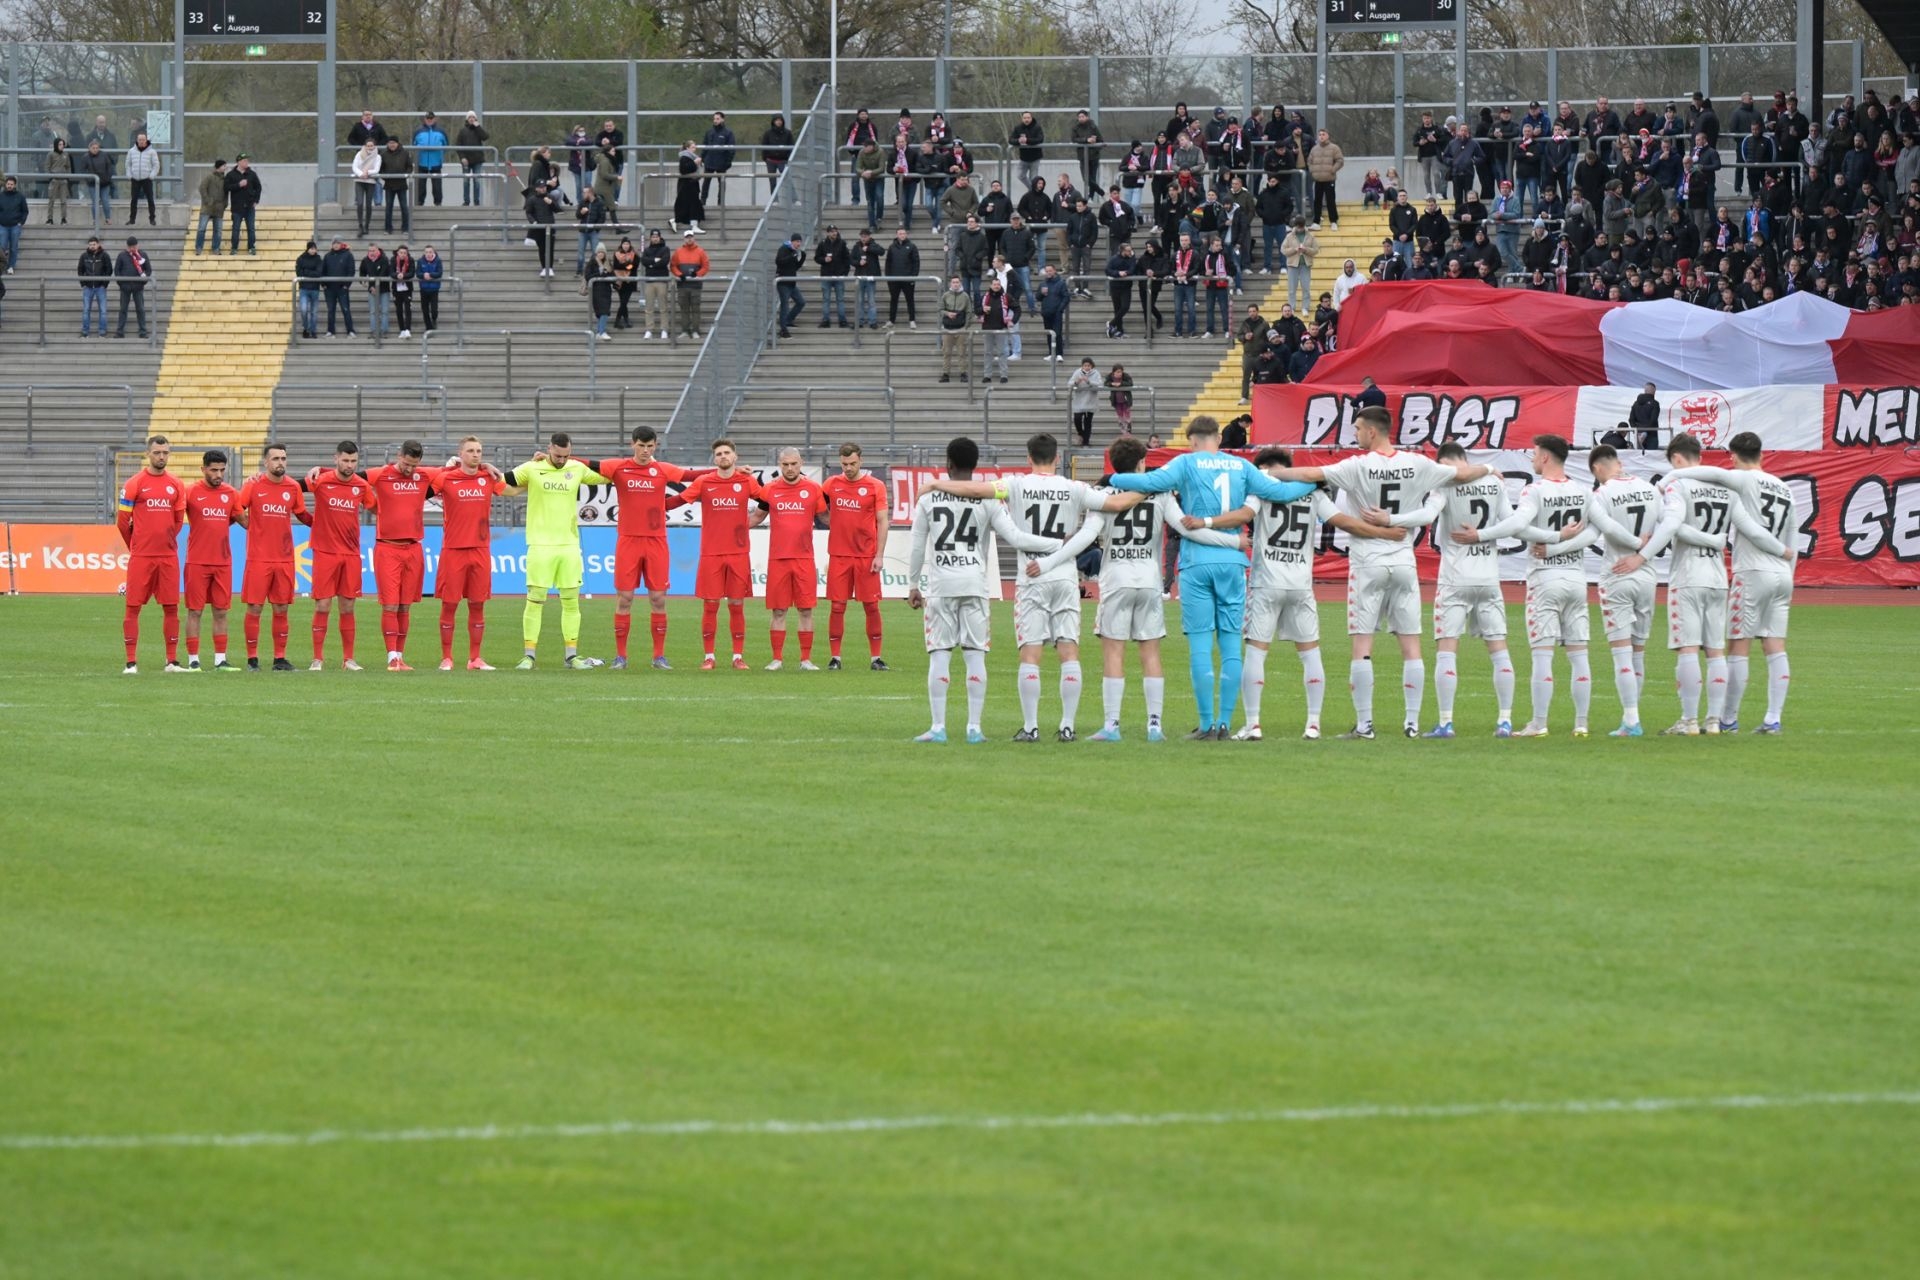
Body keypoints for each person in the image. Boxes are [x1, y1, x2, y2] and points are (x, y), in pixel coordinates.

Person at [1267, 408, 1499, 738]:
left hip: (1367, 562)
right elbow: (1462, 475)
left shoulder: (1357, 466)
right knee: (1411, 645)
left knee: (1363, 643)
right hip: (1404, 561)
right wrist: (1491, 467)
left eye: (1358, 428)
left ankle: (1365, 725)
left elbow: (1308, 475)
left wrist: (1271, 473)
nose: (1356, 434)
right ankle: (1412, 724)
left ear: (1372, 432)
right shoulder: (1417, 463)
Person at [1106, 416, 1319, 738]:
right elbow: (1282, 491)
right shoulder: (1242, 466)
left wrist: (1113, 476)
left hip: (1196, 560)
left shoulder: (1185, 462)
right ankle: (1225, 722)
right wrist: (1315, 482)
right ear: (1219, 437)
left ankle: (1206, 723)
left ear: (1192, 440)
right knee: (1232, 644)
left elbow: (1149, 484)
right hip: (1233, 563)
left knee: (1201, 645)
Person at [1200, 447, 1403, 740]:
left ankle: (1253, 724)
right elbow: (1344, 523)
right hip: (1301, 584)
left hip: (1266, 582)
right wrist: (1385, 532)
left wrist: (1207, 523)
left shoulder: (1260, 491)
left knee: (1257, 652)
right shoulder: (1312, 493)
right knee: (1310, 653)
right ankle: (1313, 724)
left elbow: (1242, 515)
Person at [928, 433, 1100, 740]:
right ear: (1057, 458)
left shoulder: (1017, 483)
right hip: (1064, 575)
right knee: (1069, 651)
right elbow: (1106, 505)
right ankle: (1067, 726)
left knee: (1031, 654)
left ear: (1029, 458)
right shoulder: (1075, 487)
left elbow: (978, 489)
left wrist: (938, 484)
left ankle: (1031, 727)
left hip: (1030, 578)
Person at [1446, 433, 1603, 737]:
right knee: (1579, 653)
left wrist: (1481, 534)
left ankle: (1539, 723)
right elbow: (1599, 529)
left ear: (1545, 457)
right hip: (1576, 578)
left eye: (1534, 453)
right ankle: (1581, 724)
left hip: (1545, 578)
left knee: (1543, 654)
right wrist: (1564, 542)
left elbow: (1518, 525)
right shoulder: (1583, 491)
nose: (1532, 459)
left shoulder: (1535, 490)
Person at [907, 436, 1059, 743]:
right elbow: (1016, 538)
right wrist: (1058, 544)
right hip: (975, 585)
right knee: (975, 656)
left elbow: (917, 546)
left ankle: (938, 727)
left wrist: (912, 584)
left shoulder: (928, 498)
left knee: (940, 654)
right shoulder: (988, 499)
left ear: (948, 464)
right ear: (976, 466)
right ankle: (974, 728)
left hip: (940, 587)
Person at [1378, 442, 1519, 738]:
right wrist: (1484, 535)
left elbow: (1426, 517)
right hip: (1489, 577)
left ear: (1443, 463)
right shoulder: (1493, 482)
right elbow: (1511, 524)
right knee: (1498, 649)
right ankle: (1505, 721)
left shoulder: (1444, 483)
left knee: (1447, 650)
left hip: (1455, 578)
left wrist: (1391, 520)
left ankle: (1446, 722)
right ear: (1465, 459)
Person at [1666, 431, 1799, 734]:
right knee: (1776, 647)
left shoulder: (1742, 480)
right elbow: (1795, 539)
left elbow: (1705, 472)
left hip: (1752, 571)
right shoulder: (1785, 489)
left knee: (1738, 647)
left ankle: (1727, 719)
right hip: (1782, 575)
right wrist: (1790, 574)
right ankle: (1773, 718)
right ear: (1762, 454)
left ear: (1734, 456)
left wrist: (1669, 477)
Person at [1557, 444, 1671, 737]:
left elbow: (1594, 532)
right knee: (1638, 652)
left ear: (1596, 469)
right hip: (1646, 575)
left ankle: (1631, 721)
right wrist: (1643, 551)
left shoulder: (1601, 494)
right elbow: (1668, 526)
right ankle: (1630, 717)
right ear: (1618, 462)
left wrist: (1554, 547)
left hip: (1617, 574)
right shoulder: (1649, 489)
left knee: (1621, 653)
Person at [1646, 432, 1734, 734]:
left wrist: (1644, 555)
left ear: (1677, 459)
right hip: (1718, 575)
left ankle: (1689, 720)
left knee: (1688, 648)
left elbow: (1673, 525)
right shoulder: (1724, 487)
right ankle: (1713, 720)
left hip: (1688, 574)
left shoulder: (1677, 484)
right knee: (1715, 650)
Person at [578, 426, 688, 670]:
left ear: (655, 446)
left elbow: (690, 477)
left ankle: (659, 657)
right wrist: (557, 457)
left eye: (650, 446)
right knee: (625, 598)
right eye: (641, 446)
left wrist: (729, 470)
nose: (645, 451)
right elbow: (587, 463)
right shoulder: (619, 467)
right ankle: (621, 657)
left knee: (658, 598)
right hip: (628, 541)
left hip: (656, 541)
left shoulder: (661, 469)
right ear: (632, 444)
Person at [506, 433, 610, 669]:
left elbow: (608, 476)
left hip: (569, 545)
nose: (562, 460)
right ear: (548, 448)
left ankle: (571, 657)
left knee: (571, 603)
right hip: (540, 545)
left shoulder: (577, 468)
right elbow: (503, 483)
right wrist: (486, 468)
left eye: (566, 455)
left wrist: (579, 460)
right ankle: (529, 656)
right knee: (534, 601)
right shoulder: (532, 468)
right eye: (557, 455)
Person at [670, 438, 764, 670]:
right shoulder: (704, 482)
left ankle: (737, 657)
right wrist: (649, 503)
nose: (723, 456)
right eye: (719, 453)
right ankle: (709, 657)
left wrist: (750, 522)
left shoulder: (746, 481)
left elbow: (769, 500)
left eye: (727, 453)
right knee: (710, 605)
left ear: (735, 456)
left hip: (738, 553)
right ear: (714, 459)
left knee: (736, 604)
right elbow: (679, 500)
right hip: (711, 553)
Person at [360, 440, 444, 668]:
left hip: (414, 548)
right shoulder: (381, 474)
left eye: (414, 465)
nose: (410, 469)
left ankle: (400, 656)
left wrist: (484, 466)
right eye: (406, 464)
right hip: (387, 548)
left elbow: (454, 471)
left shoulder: (424, 474)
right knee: (390, 605)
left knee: (405, 605)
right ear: (399, 456)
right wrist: (320, 472)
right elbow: (349, 475)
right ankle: (391, 657)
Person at [434, 436, 509, 670]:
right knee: (449, 605)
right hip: (453, 550)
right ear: (461, 454)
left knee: (477, 605)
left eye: (479, 450)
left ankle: (474, 659)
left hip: (480, 550)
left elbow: (512, 490)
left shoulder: (487, 478)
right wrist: (445, 468)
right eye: (470, 450)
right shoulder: (446, 478)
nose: (476, 454)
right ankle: (447, 658)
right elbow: (423, 488)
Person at [115, 435, 187, 673]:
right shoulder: (134, 483)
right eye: (157, 452)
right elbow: (123, 522)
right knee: (133, 607)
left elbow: (178, 522)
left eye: (165, 453)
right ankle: (131, 662)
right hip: (141, 557)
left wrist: (165, 541)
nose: (161, 457)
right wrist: (135, 546)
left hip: (167, 557)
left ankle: (171, 661)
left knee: (171, 607)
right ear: (148, 454)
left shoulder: (175, 485)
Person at [235, 444, 309, 670]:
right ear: (265, 462)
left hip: (285, 558)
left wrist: (325, 524)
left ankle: (279, 658)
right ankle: (252, 659)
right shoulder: (253, 485)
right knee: (255, 608)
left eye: (284, 458)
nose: (280, 463)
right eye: (275, 458)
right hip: (259, 558)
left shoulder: (293, 487)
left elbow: (302, 514)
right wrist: (250, 525)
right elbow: (237, 508)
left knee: (281, 608)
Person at [304, 441, 377, 670]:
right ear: (336, 459)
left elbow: (375, 507)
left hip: (351, 553)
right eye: (345, 460)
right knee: (323, 605)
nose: (349, 465)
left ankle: (348, 659)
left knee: (347, 606)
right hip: (325, 552)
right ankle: (317, 659)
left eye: (353, 461)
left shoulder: (361, 486)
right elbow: (289, 486)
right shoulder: (321, 481)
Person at [754, 448, 826, 670]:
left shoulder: (813, 489)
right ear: (779, 464)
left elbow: (825, 517)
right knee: (779, 610)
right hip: (778, 559)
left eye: (794, 463)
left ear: (801, 463)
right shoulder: (769, 490)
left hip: (804, 559)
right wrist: (729, 526)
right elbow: (757, 516)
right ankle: (777, 658)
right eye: (785, 464)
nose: (790, 468)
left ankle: (805, 659)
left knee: (806, 610)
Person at [821, 442, 890, 671]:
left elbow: (882, 521)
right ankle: (835, 658)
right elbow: (818, 507)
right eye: (844, 464)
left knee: (871, 606)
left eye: (852, 464)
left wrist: (879, 555)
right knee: (837, 606)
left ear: (861, 461)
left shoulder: (875, 486)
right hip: (839, 555)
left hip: (866, 556)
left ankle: (876, 658)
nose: (848, 468)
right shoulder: (831, 484)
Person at [179, 449, 240, 671]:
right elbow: (173, 515)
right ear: (203, 469)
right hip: (197, 561)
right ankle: (193, 660)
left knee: (221, 611)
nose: (218, 475)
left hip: (223, 561)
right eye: (214, 470)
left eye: (222, 470)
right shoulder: (190, 492)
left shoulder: (231, 493)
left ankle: (220, 660)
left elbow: (243, 520)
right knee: (195, 611)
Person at [669, 228, 709, 338]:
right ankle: (685, 331)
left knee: (696, 309)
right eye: (687, 237)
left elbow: (706, 266)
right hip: (682, 285)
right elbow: (673, 266)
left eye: (691, 237)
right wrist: (679, 274)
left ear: (694, 238)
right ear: (684, 239)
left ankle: (695, 330)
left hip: (695, 285)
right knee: (684, 309)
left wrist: (697, 274)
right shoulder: (678, 252)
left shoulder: (700, 251)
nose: (689, 239)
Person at [978, 275, 1015, 383]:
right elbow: (976, 310)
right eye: (994, 284)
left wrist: (1013, 320)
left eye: (998, 284)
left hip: (1001, 328)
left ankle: (1004, 375)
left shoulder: (1006, 296)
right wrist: (982, 310)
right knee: (987, 352)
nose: (996, 286)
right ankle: (987, 375)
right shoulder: (984, 297)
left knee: (1002, 352)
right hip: (987, 328)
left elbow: (1017, 308)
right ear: (990, 285)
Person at [113, 236, 150, 339]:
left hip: (138, 287)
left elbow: (148, 270)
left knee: (140, 309)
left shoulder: (143, 255)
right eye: (130, 246)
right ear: (127, 246)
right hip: (125, 288)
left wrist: (143, 282)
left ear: (137, 245)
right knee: (123, 309)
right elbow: (117, 271)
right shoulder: (121, 255)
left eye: (134, 246)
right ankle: (120, 331)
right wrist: (121, 284)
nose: (132, 248)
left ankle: (143, 331)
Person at [1306, 128, 1344, 229]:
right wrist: (1312, 171)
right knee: (1317, 201)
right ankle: (1316, 222)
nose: (1321, 136)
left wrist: (1333, 169)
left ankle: (1333, 221)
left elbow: (1340, 161)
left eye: (1323, 134)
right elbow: (1309, 161)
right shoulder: (1314, 149)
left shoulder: (1334, 148)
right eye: (1320, 135)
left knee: (1330, 200)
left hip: (1329, 179)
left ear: (1328, 136)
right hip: (1318, 179)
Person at [885, 226, 921, 327]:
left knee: (910, 300)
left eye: (904, 233)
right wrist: (888, 278)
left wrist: (913, 277)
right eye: (900, 233)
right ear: (897, 235)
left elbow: (916, 263)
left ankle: (912, 320)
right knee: (893, 300)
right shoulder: (892, 247)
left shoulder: (912, 246)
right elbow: (888, 263)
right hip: (894, 279)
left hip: (908, 279)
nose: (902, 235)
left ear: (906, 234)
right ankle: (891, 320)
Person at [815, 224, 850, 327]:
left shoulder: (842, 243)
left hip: (839, 276)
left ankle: (842, 321)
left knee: (840, 299)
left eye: (835, 231)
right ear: (828, 233)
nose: (834, 233)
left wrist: (845, 274)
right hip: (826, 275)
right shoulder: (822, 244)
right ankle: (826, 320)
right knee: (826, 299)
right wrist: (824, 260)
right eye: (831, 231)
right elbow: (817, 258)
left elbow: (847, 259)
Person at [938, 275, 970, 382]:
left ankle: (963, 373)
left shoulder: (965, 296)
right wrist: (947, 313)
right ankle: (946, 373)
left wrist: (966, 326)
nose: (955, 284)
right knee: (946, 352)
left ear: (960, 283)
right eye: (953, 282)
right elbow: (940, 309)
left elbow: (969, 311)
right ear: (950, 284)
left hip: (960, 328)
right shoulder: (946, 295)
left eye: (957, 282)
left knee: (962, 352)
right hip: (947, 328)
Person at [1281, 217, 1316, 313]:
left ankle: (1305, 307)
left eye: (1301, 226)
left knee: (1306, 287)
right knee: (1292, 288)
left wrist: (1306, 250)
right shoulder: (1289, 236)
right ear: (1295, 226)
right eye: (1298, 226)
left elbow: (1315, 250)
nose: (1300, 229)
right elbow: (1283, 250)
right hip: (1292, 265)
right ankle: (1292, 307)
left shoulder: (1310, 236)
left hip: (1305, 265)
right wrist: (1294, 249)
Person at [321, 238, 356, 336]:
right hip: (329, 289)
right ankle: (330, 331)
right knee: (330, 310)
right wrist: (323, 284)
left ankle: (350, 330)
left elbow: (351, 271)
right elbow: (322, 271)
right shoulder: (327, 256)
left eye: (338, 243)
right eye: (334, 243)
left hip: (342, 288)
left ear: (341, 244)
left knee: (346, 309)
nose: (336, 245)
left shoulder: (348, 255)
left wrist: (346, 285)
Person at [639, 227, 670, 337]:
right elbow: (643, 261)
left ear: (659, 237)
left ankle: (664, 329)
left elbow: (665, 261)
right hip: (649, 281)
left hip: (662, 280)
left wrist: (652, 264)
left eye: (656, 237)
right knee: (649, 307)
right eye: (653, 237)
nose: (655, 239)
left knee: (663, 306)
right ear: (650, 238)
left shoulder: (665, 248)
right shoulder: (647, 250)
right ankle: (649, 329)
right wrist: (654, 261)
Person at [77, 235, 110, 337]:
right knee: (86, 310)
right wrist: (83, 284)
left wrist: (104, 284)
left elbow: (109, 270)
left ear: (98, 244)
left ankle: (102, 332)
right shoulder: (84, 256)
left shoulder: (104, 255)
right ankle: (85, 332)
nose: (92, 246)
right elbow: (80, 270)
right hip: (88, 287)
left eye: (94, 244)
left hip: (100, 287)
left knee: (103, 311)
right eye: (90, 244)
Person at [124, 131, 159, 226]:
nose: (141, 141)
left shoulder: (152, 152)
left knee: (150, 200)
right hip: (135, 179)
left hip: (147, 179)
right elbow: (128, 164)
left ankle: (152, 219)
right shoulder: (131, 151)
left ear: (146, 140)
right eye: (140, 140)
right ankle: (132, 219)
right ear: (137, 140)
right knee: (133, 200)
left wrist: (151, 175)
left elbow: (156, 165)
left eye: (143, 139)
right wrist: (129, 175)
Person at [701, 111, 736, 205]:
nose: (715, 121)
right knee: (706, 182)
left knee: (722, 183)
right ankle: (703, 201)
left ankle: (720, 202)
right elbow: (705, 145)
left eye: (717, 119)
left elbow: (731, 149)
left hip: (721, 163)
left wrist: (728, 162)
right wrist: (702, 158)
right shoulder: (709, 132)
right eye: (714, 119)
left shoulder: (728, 133)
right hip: (709, 162)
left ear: (722, 119)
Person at [378, 138, 412, 234]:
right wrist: (385, 177)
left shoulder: (405, 153)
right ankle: (388, 228)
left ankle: (405, 228)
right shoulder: (383, 154)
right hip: (389, 184)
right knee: (389, 207)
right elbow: (380, 169)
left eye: (394, 143)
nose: (392, 145)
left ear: (397, 143)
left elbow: (410, 167)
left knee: (404, 207)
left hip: (401, 184)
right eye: (390, 143)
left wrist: (405, 175)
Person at [359, 242, 393, 339]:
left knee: (385, 311)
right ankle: (373, 331)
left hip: (384, 289)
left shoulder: (384, 259)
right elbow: (362, 271)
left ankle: (383, 331)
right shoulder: (365, 260)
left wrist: (375, 286)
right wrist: (363, 281)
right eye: (370, 251)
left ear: (377, 250)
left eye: (373, 250)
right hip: (372, 289)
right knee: (373, 312)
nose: (371, 252)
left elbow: (383, 273)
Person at [456, 111, 490, 206]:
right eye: (470, 117)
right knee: (466, 181)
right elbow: (458, 145)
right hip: (466, 160)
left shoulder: (478, 130)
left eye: (473, 117)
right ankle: (466, 201)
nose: (471, 119)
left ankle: (476, 201)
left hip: (477, 160)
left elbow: (485, 137)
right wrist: (462, 158)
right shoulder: (462, 131)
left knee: (477, 181)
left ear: (475, 119)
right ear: (467, 119)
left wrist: (478, 127)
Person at [76, 140, 113, 225]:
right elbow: (82, 170)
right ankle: (95, 219)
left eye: (97, 148)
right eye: (93, 148)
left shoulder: (104, 155)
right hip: (93, 183)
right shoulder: (85, 157)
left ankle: (108, 218)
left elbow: (110, 167)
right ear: (89, 148)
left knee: (105, 200)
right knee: (95, 201)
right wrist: (89, 179)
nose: (95, 150)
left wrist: (108, 178)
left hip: (105, 183)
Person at [574, 187, 609, 276]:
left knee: (595, 252)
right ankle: (579, 271)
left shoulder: (599, 203)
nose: (583, 194)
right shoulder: (582, 202)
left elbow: (602, 217)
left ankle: (595, 270)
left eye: (585, 192)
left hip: (593, 232)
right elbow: (577, 216)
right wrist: (581, 213)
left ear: (590, 193)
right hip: (583, 231)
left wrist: (596, 228)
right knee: (581, 253)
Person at [196, 158, 228, 255]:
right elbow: (202, 188)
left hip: (219, 208)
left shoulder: (225, 179)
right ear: (219, 167)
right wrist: (208, 200)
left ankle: (216, 248)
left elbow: (226, 193)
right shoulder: (209, 177)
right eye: (224, 166)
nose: (225, 168)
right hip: (207, 207)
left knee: (218, 230)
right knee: (202, 228)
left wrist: (225, 204)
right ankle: (199, 248)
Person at [1035, 263, 1068, 360]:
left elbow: (1066, 297)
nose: (1048, 273)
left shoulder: (1061, 283)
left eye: (1050, 270)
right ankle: (1051, 353)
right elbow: (1037, 297)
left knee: (1057, 333)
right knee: (1049, 333)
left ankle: (1059, 354)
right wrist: (1041, 293)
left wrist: (1060, 309)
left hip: (1056, 312)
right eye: (1047, 271)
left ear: (1054, 271)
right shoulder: (1043, 284)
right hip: (1046, 312)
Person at [851, 227, 883, 328]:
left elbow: (881, 251)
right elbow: (851, 259)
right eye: (862, 237)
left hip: (870, 277)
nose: (863, 238)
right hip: (860, 277)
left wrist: (868, 249)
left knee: (871, 300)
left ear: (869, 237)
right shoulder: (856, 246)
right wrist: (858, 263)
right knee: (859, 300)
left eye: (865, 236)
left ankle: (872, 321)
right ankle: (859, 321)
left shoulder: (873, 244)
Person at [292, 238, 322, 338]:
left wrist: (306, 272)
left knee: (314, 312)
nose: (314, 250)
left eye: (315, 249)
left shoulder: (318, 259)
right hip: (304, 289)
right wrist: (310, 272)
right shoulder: (301, 258)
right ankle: (306, 328)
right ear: (308, 249)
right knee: (304, 310)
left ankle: (313, 330)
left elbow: (318, 273)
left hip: (315, 289)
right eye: (312, 248)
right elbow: (299, 272)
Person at [672, 139, 703, 233]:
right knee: (692, 204)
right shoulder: (685, 157)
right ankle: (692, 225)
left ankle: (693, 224)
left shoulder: (691, 157)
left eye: (695, 147)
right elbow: (683, 169)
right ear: (687, 148)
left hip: (691, 184)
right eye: (693, 147)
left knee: (692, 205)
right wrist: (695, 163)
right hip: (687, 184)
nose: (695, 149)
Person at [761, 113, 795, 199]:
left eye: (780, 120)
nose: (779, 122)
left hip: (783, 160)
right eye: (777, 120)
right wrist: (766, 158)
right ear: (773, 121)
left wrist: (788, 158)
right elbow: (764, 146)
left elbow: (791, 145)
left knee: (787, 179)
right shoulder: (768, 133)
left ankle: (794, 199)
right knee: (772, 181)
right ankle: (774, 200)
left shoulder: (787, 133)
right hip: (771, 160)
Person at [351, 139, 380, 236]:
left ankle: (367, 225)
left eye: (372, 145)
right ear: (365, 146)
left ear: (374, 146)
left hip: (370, 181)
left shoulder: (377, 156)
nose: (370, 147)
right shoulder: (359, 154)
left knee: (368, 204)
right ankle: (360, 225)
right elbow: (354, 167)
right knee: (359, 203)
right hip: (359, 180)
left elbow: (376, 169)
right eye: (368, 146)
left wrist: (367, 173)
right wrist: (360, 174)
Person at [390, 244, 417, 338]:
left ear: (407, 253)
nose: (402, 254)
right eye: (401, 252)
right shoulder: (393, 260)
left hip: (407, 289)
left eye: (404, 253)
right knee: (399, 310)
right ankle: (401, 329)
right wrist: (397, 275)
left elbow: (412, 273)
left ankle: (407, 329)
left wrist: (403, 276)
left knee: (408, 309)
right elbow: (391, 272)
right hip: (396, 289)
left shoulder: (410, 260)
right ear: (398, 253)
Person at [0, 177, 26, 272]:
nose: (9, 186)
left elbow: (25, 211)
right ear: (5, 185)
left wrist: (21, 222)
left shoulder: (20, 196)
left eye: (11, 184)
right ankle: (2, 266)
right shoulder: (1, 196)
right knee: (2, 247)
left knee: (13, 247)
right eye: (8, 184)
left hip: (15, 226)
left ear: (14, 185)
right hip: (2, 226)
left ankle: (11, 266)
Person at [44, 137, 72, 225]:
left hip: (63, 180)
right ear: (56, 145)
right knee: (51, 200)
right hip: (54, 180)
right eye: (60, 144)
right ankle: (49, 219)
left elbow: (68, 166)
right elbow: (47, 166)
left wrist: (68, 176)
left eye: (63, 144)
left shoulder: (66, 154)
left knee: (63, 201)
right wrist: (50, 177)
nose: (62, 146)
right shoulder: (50, 154)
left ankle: (63, 218)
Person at [417, 244, 443, 332]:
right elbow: (418, 273)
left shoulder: (438, 261)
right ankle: (429, 327)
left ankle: (434, 319)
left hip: (434, 289)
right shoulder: (420, 261)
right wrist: (424, 275)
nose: (428, 254)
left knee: (434, 309)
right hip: (423, 289)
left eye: (430, 252)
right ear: (424, 253)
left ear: (433, 252)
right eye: (427, 252)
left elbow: (439, 273)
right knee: (425, 309)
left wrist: (430, 275)